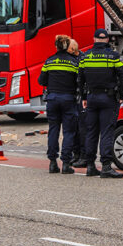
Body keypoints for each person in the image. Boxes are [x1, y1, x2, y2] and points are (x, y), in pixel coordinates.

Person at [78, 29, 123, 179]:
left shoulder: (85, 56)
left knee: (91, 132)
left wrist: (83, 97)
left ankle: (90, 166)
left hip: (91, 97)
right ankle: (106, 166)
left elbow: (80, 79)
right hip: (108, 98)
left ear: (94, 39)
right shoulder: (113, 56)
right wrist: (122, 95)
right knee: (107, 132)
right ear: (107, 40)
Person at [39, 34, 79, 174]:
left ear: (56, 46)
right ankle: (66, 164)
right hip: (68, 99)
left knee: (53, 130)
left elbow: (41, 81)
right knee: (68, 132)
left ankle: (52, 163)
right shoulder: (74, 62)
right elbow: (79, 81)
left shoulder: (49, 61)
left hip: (52, 99)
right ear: (68, 46)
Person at [67, 39, 89, 169]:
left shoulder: (83, 59)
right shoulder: (72, 58)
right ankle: (76, 154)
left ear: (73, 50)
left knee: (82, 128)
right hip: (72, 97)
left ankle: (84, 156)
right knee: (73, 128)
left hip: (81, 98)